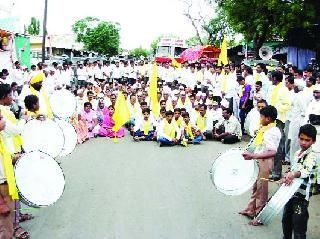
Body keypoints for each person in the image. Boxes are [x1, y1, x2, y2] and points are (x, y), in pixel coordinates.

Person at [239, 105, 281, 226]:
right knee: (255, 186)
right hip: (259, 159)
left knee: (262, 189)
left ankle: (260, 215)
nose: (260, 119)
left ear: (267, 118)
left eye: (261, 117)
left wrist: (253, 156)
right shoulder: (266, 128)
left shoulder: (271, 131)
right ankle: (250, 209)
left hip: (264, 161)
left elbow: (272, 151)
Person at [280, 124, 318, 239]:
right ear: (298, 137)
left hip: (301, 198)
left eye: (308, 140)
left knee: (298, 224)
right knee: (286, 220)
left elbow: (305, 172)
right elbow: (293, 169)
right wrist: (286, 176)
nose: (304, 142)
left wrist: (293, 174)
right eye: (301, 139)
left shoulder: (312, 156)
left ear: (314, 141)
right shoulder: (297, 153)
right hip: (291, 193)